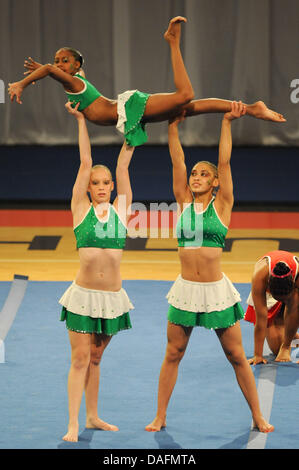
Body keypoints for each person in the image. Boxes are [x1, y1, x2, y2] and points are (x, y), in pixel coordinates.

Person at [145, 101, 274, 433]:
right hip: (186, 290)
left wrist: (227, 123)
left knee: (236, 356)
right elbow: (177, 160)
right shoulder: (183, 202)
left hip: (216, 292)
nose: (196, 177)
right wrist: (172, 127)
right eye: (194, 174)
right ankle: (160, 416)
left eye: (204, 174)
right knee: (173, 353)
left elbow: (224, 161)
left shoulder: (223, 205)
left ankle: (258, 416)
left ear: (216, 183)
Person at [8, 17, 285, 148]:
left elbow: (47, 69)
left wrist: (23, 83)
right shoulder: (76, 80)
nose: (59, 65)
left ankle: (173, 43)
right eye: (57, 61)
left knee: (186, 94)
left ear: (78, 66)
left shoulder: (75, 83)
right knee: (191, 107)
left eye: (64, 61)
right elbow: (49, 70)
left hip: (128, 109)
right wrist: (39, 74)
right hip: (129, 114)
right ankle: (251, 108)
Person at [58, 101, 135, 442]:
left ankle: (93, 416)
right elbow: (86, 162)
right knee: (80, 358)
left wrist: (132, 132)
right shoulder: (79, 209)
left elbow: (122, 165)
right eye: (96, 183)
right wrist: (80, 120)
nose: (103, 186)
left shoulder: (121, 208)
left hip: (112, 299)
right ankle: (74, 423)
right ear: (88, 188)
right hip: (83, 297)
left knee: (97, 358)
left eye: (106, 183)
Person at [245, 250, 299, 364]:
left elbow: (295, 309)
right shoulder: (260, 277)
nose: (281, 302)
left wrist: (286, 346)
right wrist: (257, 355)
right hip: (271, 292)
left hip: (292, 293)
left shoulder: (297, 277)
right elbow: (261, 319)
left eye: (284, 299)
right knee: (276, 349)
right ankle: (289, 331)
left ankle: (288, 340)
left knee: (295, 304)